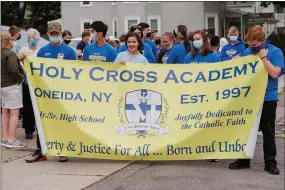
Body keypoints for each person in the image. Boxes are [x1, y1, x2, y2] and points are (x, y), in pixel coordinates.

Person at [229, 25, 284, 175]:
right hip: (250, 97)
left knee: (268, 131)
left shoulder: (275, 52)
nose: (252, 47)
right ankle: (243, 159)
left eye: (255, 45)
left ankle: (270, 162)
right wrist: (235, 62)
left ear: (262, 40)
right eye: (250, 44)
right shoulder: (247, 52)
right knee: (246, 129)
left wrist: (264, 57)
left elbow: (274, 74)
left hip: (267, 97)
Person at [25, 22, 77, 163]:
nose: (54, 35)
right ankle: (41, 150)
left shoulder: (69, 51)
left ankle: (63, 150)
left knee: (63, 122)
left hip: (63, 94)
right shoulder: (42, 51)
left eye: (56, 33)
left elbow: (77, 72)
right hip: (46, 94)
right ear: (48, 34)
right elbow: (37, 70)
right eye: (52, 33)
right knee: (43, 121)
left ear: (60, 34)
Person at [1, 32, 25, 148]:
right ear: (8, 41)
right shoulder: (10, 54)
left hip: (3, 86)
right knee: (14, 113)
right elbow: (13, 69)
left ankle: (5, 138)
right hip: (12, 86)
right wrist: (21, 78)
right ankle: (11, 139)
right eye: (11, 39)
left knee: (5, 112)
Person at [18, 28, 41, 140]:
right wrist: (20, 59)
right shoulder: (23, 50)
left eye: (33, 38)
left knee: (39, 107)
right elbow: (18, 64)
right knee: (28, 107)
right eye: (29, 38)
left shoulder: (41, 52)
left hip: (39, 83)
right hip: (27, 82)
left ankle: (40, 130)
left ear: (38, 39)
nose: (31, 40)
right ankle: (29, 130)